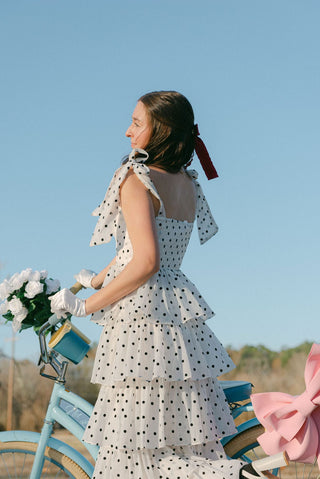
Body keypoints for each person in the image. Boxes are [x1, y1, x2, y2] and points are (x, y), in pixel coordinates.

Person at [49, 91, 287, 478]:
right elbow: (138, 249)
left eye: (137, 123)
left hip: (140, 322)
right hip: (178, 317)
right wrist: (94, 280)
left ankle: (231, 476)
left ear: (160, 130)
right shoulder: (188, 184)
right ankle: (226, 471)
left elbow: (144, 261)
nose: (128, 132)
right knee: (183, 440)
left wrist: (85, 306)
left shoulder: (136, 177)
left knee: (133, 454)